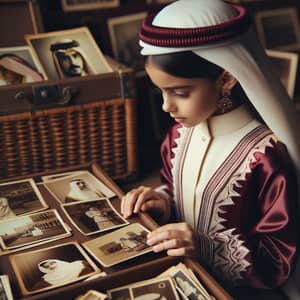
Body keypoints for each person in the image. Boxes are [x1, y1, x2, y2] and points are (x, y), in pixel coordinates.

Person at [121, 0, 300, 298]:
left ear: (226, 78)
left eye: (180, 92)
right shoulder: (179, 136)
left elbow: (277, 256)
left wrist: (207, 246)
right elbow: (178, 191)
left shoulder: (264, 157)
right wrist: (161, 201)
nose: (167, 106)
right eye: (161, 92)